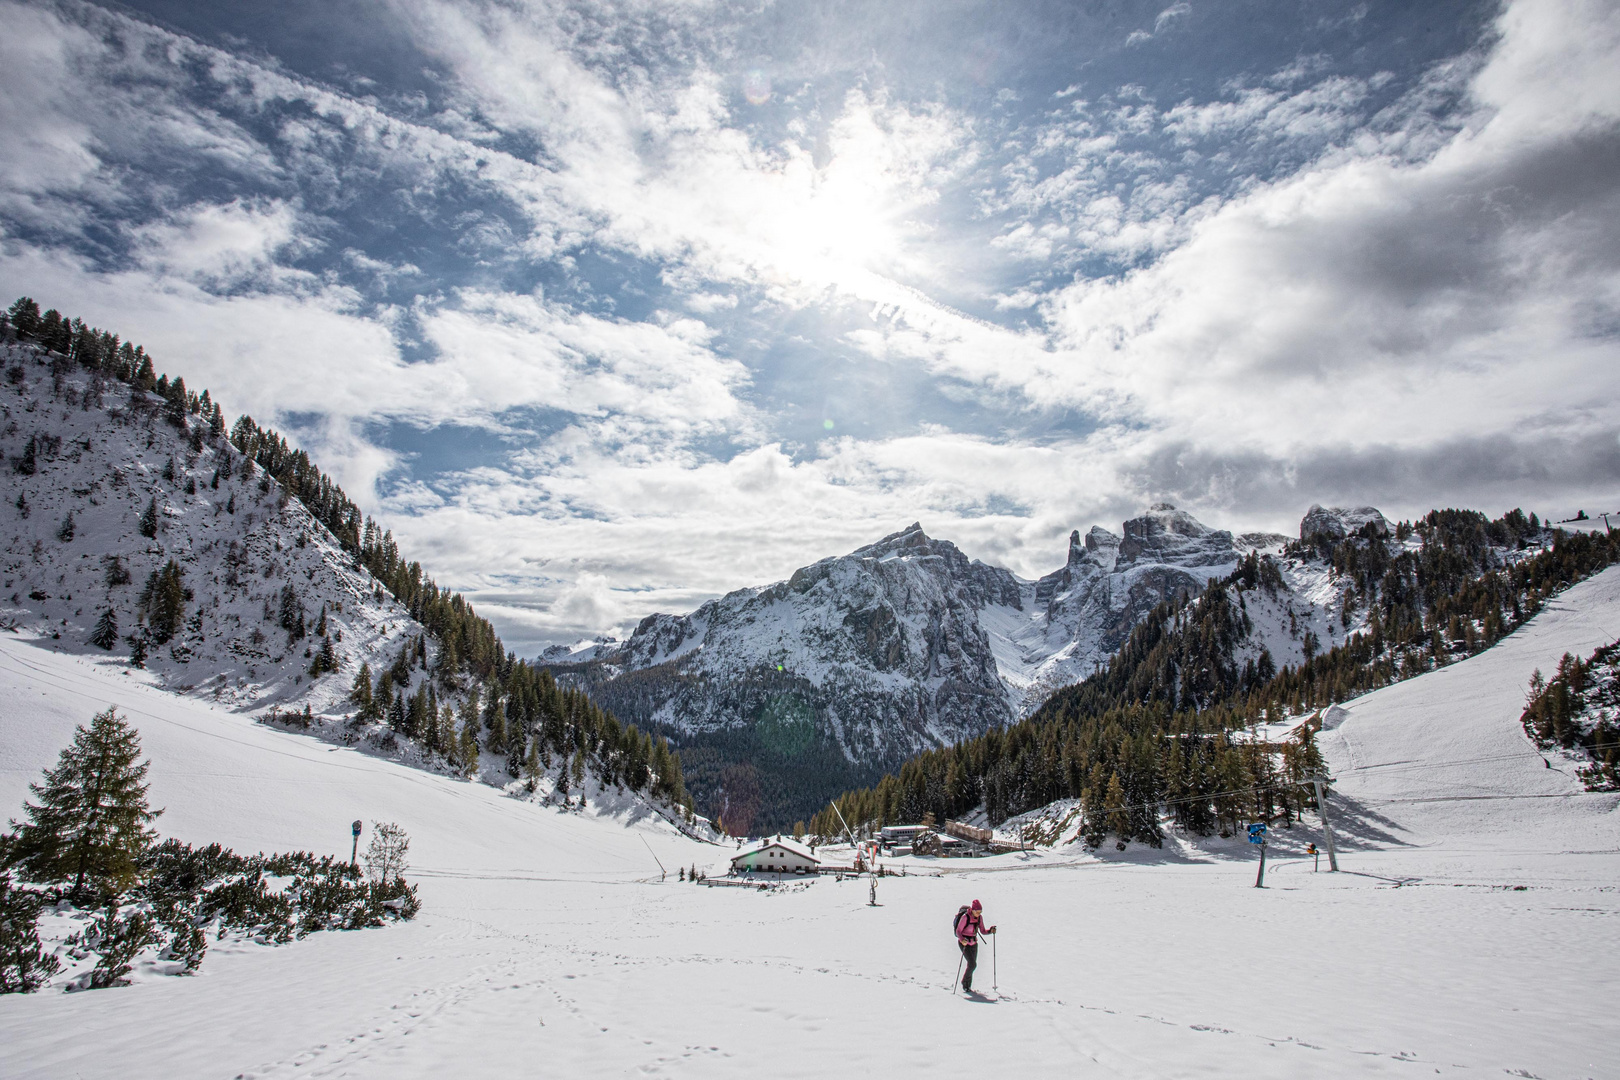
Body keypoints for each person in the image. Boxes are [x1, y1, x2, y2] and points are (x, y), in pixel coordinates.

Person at [954, 899, 996, 994]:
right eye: (977, 911)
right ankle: (965, 983)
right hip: (964, 943)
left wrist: (990, 931)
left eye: (980, 912)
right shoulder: (965, 917)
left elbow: (982, 931)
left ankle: (967, 986)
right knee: (973, 964)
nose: (978, 913)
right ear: (972, 910)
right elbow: (958, 931)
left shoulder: (979, 918)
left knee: (971, 965)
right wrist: (962, 939)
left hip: (974, 943)